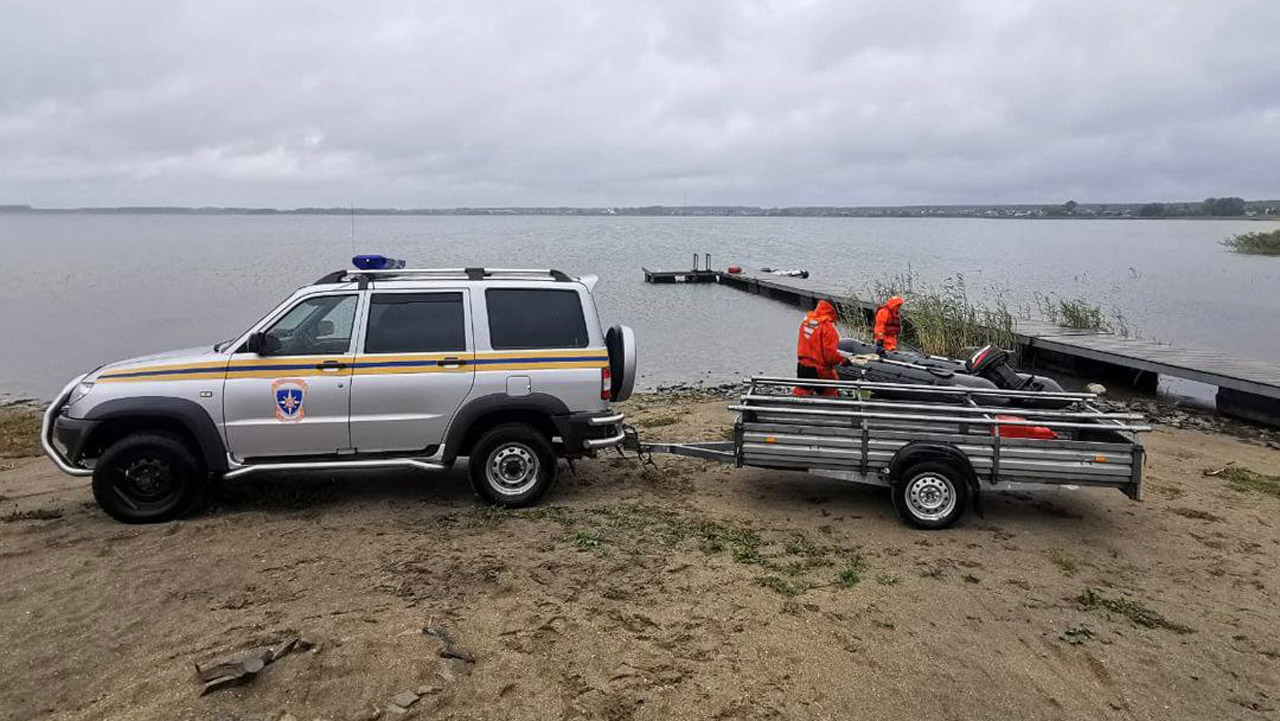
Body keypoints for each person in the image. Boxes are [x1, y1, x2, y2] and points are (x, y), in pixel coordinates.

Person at [794, 299, 850, 397]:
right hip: (819, 370)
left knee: (801, 391)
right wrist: (843, 360)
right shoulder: (827, 328)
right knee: (831, 391)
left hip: (802, 366)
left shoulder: (807, 322)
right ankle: (832, 410)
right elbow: (830, 356)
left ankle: (793, 408)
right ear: (833, 311)